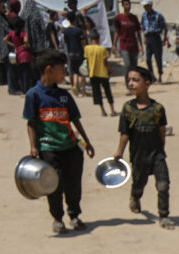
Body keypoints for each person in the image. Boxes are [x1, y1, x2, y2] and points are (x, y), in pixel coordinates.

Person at [23, 48, 95, 235]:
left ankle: (74, 215)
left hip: (71, 146)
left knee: (74, 184)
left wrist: (86, 143)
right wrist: (33, 147)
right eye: (62, 68)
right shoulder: (34, 95)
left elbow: (75, 120)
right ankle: (57, 218)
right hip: (48, 148)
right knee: (53, 184)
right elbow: (31, 123)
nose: (65, 73)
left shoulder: (65, 96)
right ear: (49, 69)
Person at [115, 66, 175, 230]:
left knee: (163, 184)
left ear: (147, 84)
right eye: (129, 80)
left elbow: (162, 130)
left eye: (136, 80)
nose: (131, 84)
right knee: (139, 183)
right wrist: (119, 152)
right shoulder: (127, 108)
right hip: (138, 155)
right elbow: (124, 133)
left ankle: (164, 215)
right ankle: (135, 196)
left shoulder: (158, 109)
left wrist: (161, 150)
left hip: (156, 154)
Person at [85, 31, 114, 116]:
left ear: (90, 40)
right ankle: (112, 110)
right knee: (108, 91)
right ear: (99, 39)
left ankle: (103, 110)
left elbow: (87, 61)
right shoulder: (102, 49)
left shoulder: (87, 48)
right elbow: (105, 63)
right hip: (103, 73)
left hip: (93, 73)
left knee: (97, 93)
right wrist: (111, 70)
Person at [114, 0, 143, 84]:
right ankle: (128, 83)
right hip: (124, 45)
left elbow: (138, 32)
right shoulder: (119, 18)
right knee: (127, 65)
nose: (128, 6)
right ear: (122, 5)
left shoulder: (134, 18)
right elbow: (117, 31)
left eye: (129, 4)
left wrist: (141, 45)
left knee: (134, 67)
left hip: (134, 45)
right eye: (126, 4)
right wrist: (114, 45)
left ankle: (134, 83)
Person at [141, 0, 168, 83]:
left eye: (146, 6)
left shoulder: (158, 15)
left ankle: (160, 75)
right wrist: (144, 37)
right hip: (148, 37)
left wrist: (164, 39)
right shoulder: (144, 15)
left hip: (156, 37)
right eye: (144, 6)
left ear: (150, 6)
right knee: (148, 59)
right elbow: (143, 26)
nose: (145, 8)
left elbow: (165, 27)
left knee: (158, 58)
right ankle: (152, 75)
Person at [5, 17, 34, 94]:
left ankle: (22, 89)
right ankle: (26, 90)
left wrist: (14, 45)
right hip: (26, 55)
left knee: (21, 73)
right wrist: (25, 46)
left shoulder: (13, 33)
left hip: (18, 55)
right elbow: (26, 41)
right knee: (26, 74)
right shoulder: (23, 34)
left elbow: (5, 39)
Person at [62, 11, 86, 96]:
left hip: (71, 53)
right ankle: (83, 91)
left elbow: (65, 41)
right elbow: (83, 42)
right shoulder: (79, 30)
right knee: (83, 72)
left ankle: (75, 86)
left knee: (75, 71)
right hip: (79, 53)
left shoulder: (66, 31)